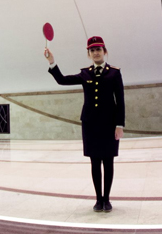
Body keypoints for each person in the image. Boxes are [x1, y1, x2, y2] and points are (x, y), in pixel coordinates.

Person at [45, 36, 125, 212]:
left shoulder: (114, 73)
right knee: (95, 162)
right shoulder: (85, 73)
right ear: (89, 54)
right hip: (90, 124)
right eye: (92, 50)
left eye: (98, 49)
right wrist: (52, 62)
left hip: (109, 124)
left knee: (108, 162)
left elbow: (120, 100)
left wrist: (119, 125)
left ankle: (107, 199)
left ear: (104, 51)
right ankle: (98, 199)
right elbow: (62, 80)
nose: (96, 53)